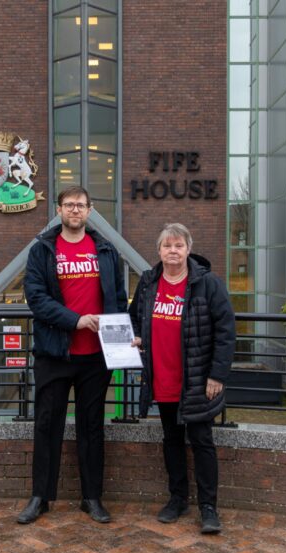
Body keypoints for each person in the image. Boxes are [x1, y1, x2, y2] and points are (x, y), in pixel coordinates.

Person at [17, 185, 127, 525]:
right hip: (54, 353)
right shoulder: (43, 250)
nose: (75, 210)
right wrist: (76, 321)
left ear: (90, 210)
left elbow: (118, 301)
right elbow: (36, 299)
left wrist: (124, 343)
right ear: (59, 210)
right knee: (47, 426)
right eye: (69, 205)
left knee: (92, 427)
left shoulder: (106, 250)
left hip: (95, 357)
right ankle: (41, 497)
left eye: (81, 205)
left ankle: (91, 498)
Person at [128, 223, 235, 534]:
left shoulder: (207, 283)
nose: (172, 251)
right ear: (159, 251)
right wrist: (136, 336)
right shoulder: (148, 283)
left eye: (178, 246)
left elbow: (226, 331)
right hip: (162, 376)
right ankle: (177, 498)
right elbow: (136, 318)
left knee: (202, 441)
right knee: (171, 439)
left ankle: (208, 507)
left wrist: (217, 374)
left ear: (188, 249)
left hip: (198, 379)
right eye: (167, 246)